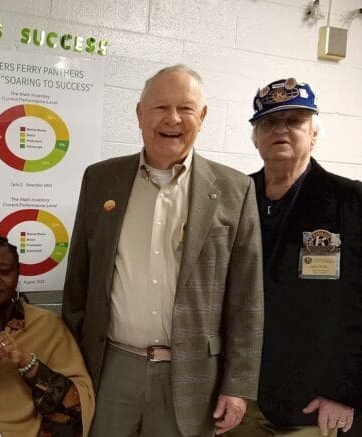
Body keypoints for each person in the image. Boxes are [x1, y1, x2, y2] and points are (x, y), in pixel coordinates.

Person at [62, 64, 264, 437]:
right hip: (110, 366)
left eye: (186, 108)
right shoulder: (100, 179)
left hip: (191, 373)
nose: (172, 119)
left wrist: (238, 385)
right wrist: (71, 365)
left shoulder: (235, 190)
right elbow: (78, 281)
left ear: (202, 117)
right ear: (140, 114)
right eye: (159, 107)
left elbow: (246, 299)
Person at [226, 78, 362, 437]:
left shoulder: (351, 202)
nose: (281, 130)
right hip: (238, 398)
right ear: (255, 138)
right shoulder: (233, 197)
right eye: (269, 122)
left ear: (314, 135)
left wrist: (345, 392)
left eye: (295, 121)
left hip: (314, 404)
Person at [0, 234, 95, 436]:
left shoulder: (46, 325)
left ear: (17, 276)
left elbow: (77, 401)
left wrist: (25, 361)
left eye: (4, 272)